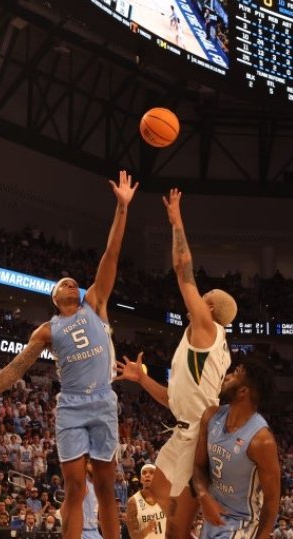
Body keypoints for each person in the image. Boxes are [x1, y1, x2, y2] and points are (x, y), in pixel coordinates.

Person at [0, 170, 138, 539]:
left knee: (106, 487)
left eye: (74, 281)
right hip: (70, 405)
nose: (72, 283)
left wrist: (122, 207)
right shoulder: (47, 330)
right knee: (74, 487)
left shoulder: (96, 303)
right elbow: (15, 369)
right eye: (64, 283)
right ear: (55, 298)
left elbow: (112, 252)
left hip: (103, 400)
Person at [116, 188, 237, 539]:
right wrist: (141, 379)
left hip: (197, 436)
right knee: (163, 512)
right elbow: (174, 400)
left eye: (204, 298)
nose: (197, 300)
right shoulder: (206, 341)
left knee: (169, 518)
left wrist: (176, 220)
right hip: (188, 429)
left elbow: (183, 270)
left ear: (209, 308)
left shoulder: (206, 327)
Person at [192, 358, 280, 539]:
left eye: (235, 374)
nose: (227, 377)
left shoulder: (261, 441)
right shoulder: (211, 416)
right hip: (214, 518)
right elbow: (199, 466)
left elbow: (272, 502)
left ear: (243, 391)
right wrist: (203, 495)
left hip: (243, 523)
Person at [126, 465, 165, 539]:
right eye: (144, 473)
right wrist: (147, 530)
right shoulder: (133, 502)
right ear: (141, 479)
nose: (147, 475)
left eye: (151, 473)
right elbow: (133, 535)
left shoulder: (165, 498)